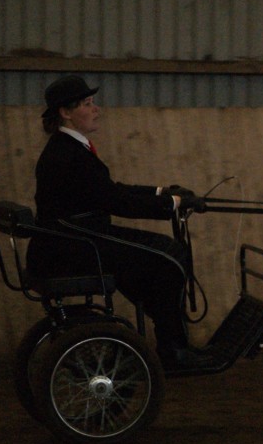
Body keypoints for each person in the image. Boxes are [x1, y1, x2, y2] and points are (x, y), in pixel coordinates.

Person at [26, 75, 210, 368]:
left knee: (159, 254)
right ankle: (174, 349)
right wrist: (173, 204)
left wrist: (163, 192)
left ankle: (166, 328)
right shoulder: (69, 155)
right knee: (170, 254)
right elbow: (116, 201)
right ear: (66, 112)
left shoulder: (69, 149)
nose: (96, 108)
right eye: (88, 103)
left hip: (75, 240)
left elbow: (110, 190)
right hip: (79, 245)